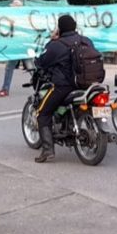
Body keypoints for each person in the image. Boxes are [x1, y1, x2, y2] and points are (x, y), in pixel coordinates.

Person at [34, 15, 94, 163]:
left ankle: (47, 150)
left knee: (42, 113)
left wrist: (52, 39)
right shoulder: (86, 41)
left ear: (60, 28)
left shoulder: (56, 45)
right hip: (88, 85)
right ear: (74, 27)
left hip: (64, 87)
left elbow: (42, 62)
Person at [0, 0, 25, 97]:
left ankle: (5, 89)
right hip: (18, 46)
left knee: (32, 68)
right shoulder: (13, 18)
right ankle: (5, 89)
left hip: (22, 46)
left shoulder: (22, 19)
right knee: (31, 68)